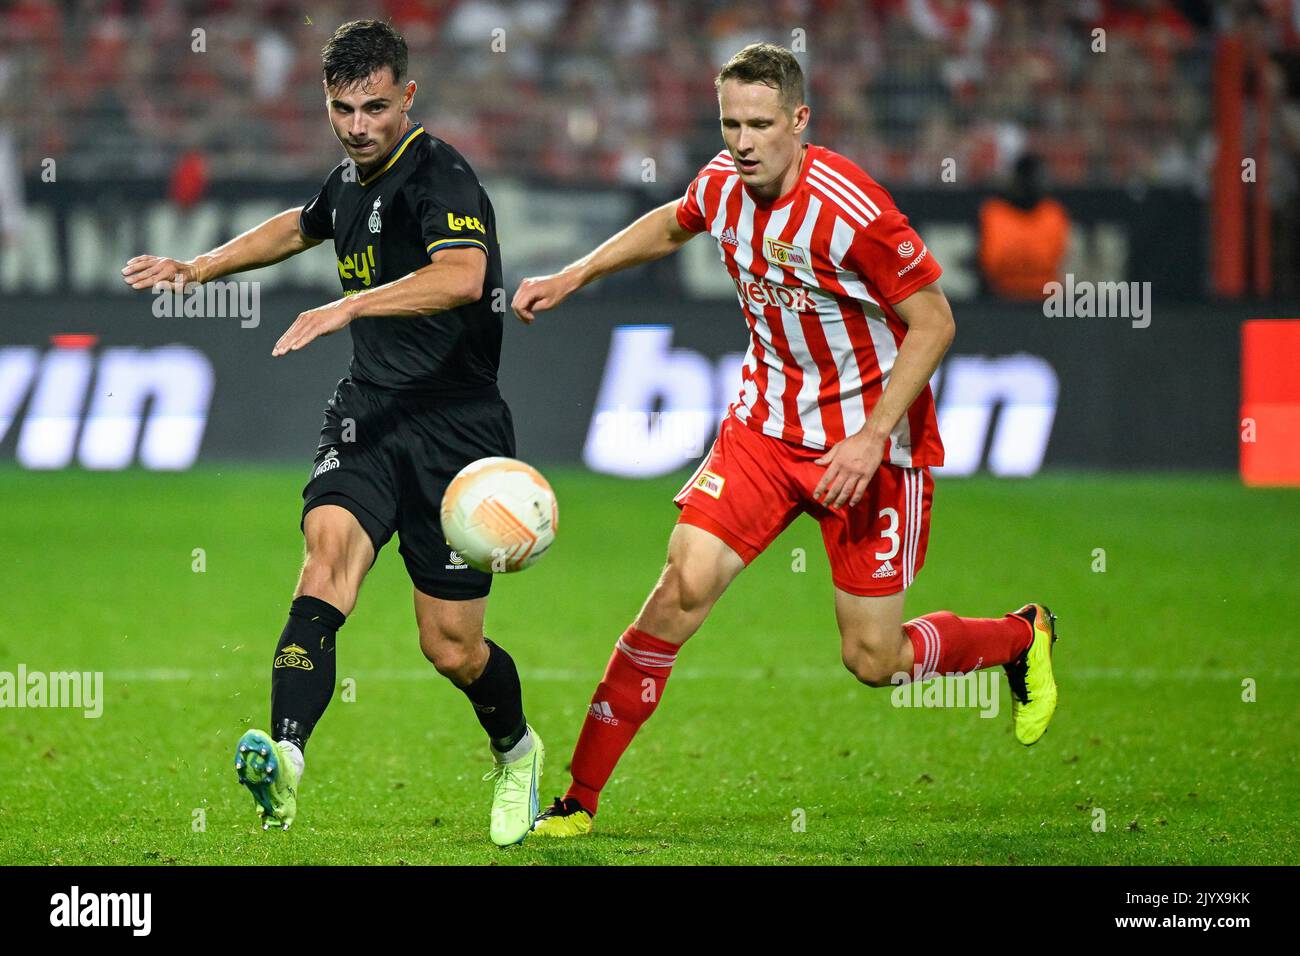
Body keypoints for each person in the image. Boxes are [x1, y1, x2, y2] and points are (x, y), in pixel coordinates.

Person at [511, 42, 1059, 837]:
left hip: (869, 451)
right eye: (730, 122)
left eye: (760, 125)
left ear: (800, 121)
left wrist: (871, 437)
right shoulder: (724, 184)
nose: (742, 141)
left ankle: (1020, 637)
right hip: (764, 431)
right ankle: (578, 800)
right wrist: (575, 274)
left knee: (874, 660)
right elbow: (673, 223)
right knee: (679, 589)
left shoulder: (854, 211)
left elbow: (935, 319)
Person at [121, 19, 544, 846]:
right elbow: (299, 224)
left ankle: (517, 750)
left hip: (456, 434)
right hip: (369, 414)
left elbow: (463, 278)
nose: (358, 125)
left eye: (376, 107)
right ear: (327, 101)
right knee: (324, 564)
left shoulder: (440, 176)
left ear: (407, 98)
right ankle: (287, 760)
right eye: (343, 108)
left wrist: (349, 303)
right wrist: (199, 267)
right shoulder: (350, 180)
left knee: (452, 649)